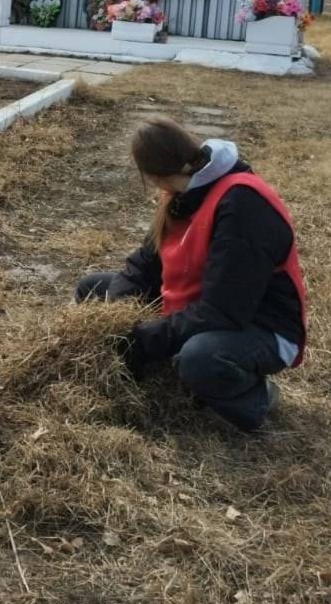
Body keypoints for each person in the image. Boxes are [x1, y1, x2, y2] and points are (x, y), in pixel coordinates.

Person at [75, 118, 307, 433]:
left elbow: (224, 311)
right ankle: (177, 370)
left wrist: (143, 341)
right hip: (199, 304)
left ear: (153, 176)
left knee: (200, 358)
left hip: (261, 325)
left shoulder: (243, 205)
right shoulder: (183, 189)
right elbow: (144, 264)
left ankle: (256, 400)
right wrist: (117, 316)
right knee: (94, 290)